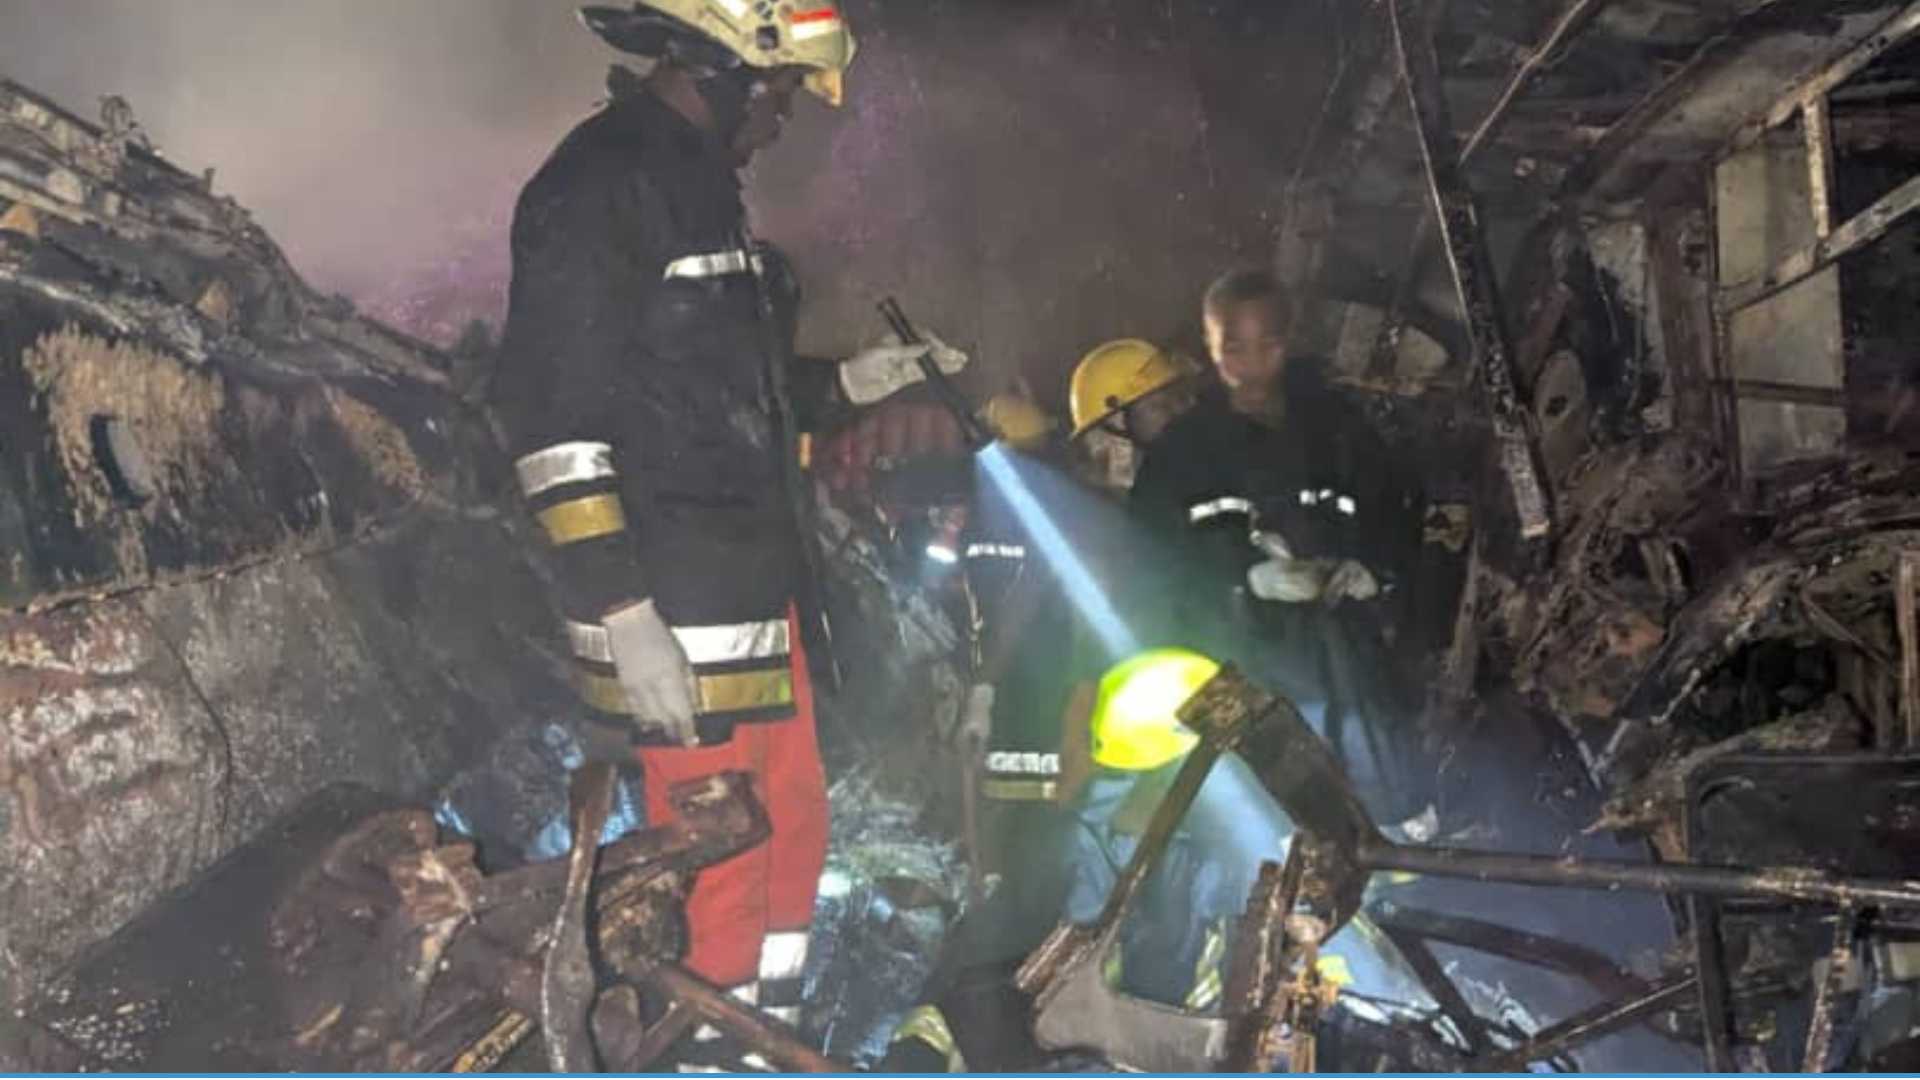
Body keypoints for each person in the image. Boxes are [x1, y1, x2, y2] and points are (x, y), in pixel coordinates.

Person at [487, 1, 970, 1063]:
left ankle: (762, 1035)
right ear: (727, 64)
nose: (785, 116)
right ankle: (705, 1046)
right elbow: (550, 421)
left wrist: (850, 382)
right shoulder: (599, 187)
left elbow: (715, 397)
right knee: (714, 857)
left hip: (751, 588)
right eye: (784, 89)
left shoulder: (700, 191)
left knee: (790, 823)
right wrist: (623, 611)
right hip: (674, 600)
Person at [1127, 267, 1433, 828]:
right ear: (1209, 346)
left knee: (1386, 823)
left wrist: (1375, 572)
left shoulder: (1342, 433)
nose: (1251, 365)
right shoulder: (1180, 456)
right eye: (1233, 348)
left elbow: (1402, 519)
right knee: (1259, 829)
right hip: (1236, 677)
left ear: (1289, 339)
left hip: (1348, 670)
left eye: (1267, 344)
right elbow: (1147, 573)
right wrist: (1243, 579)